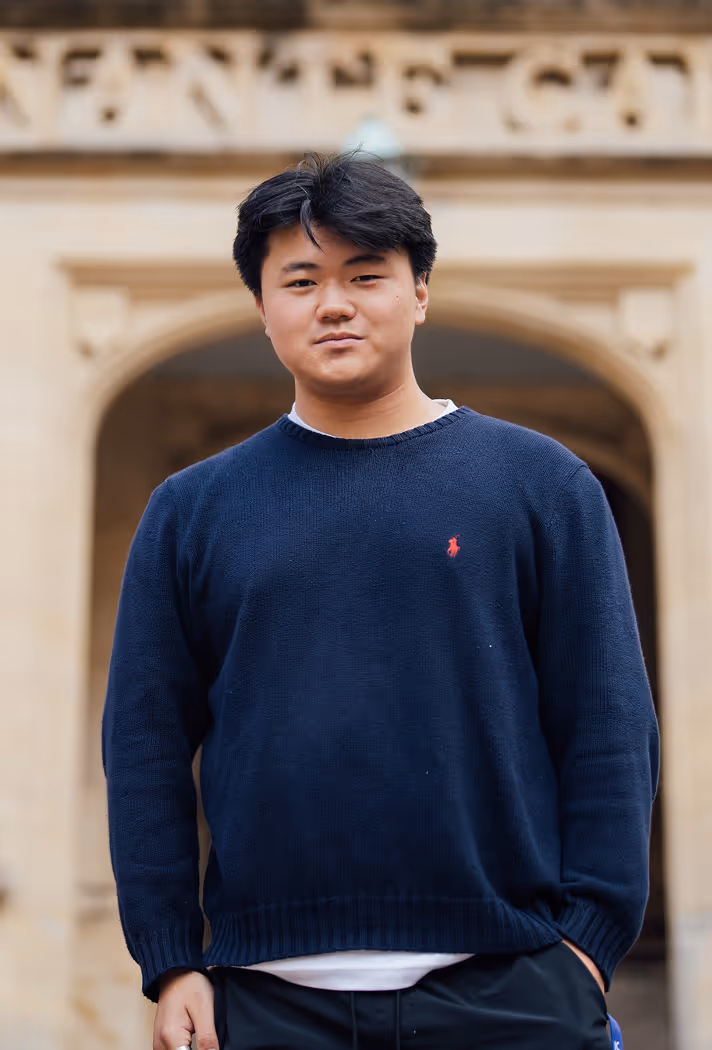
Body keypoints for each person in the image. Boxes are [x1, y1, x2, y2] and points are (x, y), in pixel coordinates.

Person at [102, 153, 659, 1050]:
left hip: (512, 990)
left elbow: (607, 724)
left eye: (367, 275)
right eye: (301, 279)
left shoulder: (541, 485)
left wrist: (585, 950)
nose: (334, 303)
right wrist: (171, 962)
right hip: (262, 1002)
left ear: (421, 292)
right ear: (262, 304)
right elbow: (144, 748)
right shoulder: (193, 511)